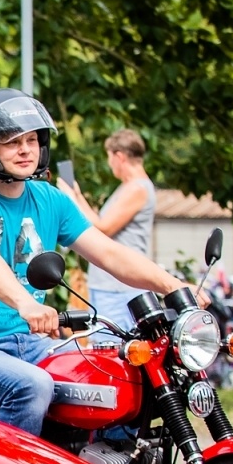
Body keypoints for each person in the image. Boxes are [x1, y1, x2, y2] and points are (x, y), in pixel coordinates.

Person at [0, 89, 195, 436]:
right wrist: (27, 305)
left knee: (114, 378)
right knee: (32, 385)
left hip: (29, 342)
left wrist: (173, 286)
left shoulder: (50, 200)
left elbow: (108, 253)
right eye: (12, 142)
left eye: (32, 139)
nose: (26, 149)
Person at [56, 129, 156, 330]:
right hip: (109, 284)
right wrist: (77, 194)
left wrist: (71, 197)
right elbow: (98, 221)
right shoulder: (127, 187)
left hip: (119, 286)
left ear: (119, 157)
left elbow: (103, 229)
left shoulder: (137, 188)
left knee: (111, 350)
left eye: (109, 157)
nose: (109, 164)